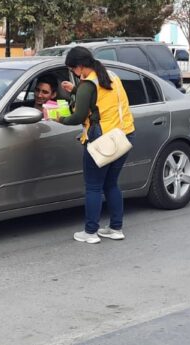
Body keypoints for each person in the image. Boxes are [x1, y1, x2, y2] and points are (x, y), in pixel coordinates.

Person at [56, 46, 136, 244]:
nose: (74, 73)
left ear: (81, 67)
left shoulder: (87, 84)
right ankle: (116, 228)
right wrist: (75, 90)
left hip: (101, 140)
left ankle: (90, 232)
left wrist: (60, 120)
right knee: (111, 184)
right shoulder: (111, 76)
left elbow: (78, 116)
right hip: (124, 135)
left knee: (93, 187)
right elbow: (101, 99)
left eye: (74, 69)